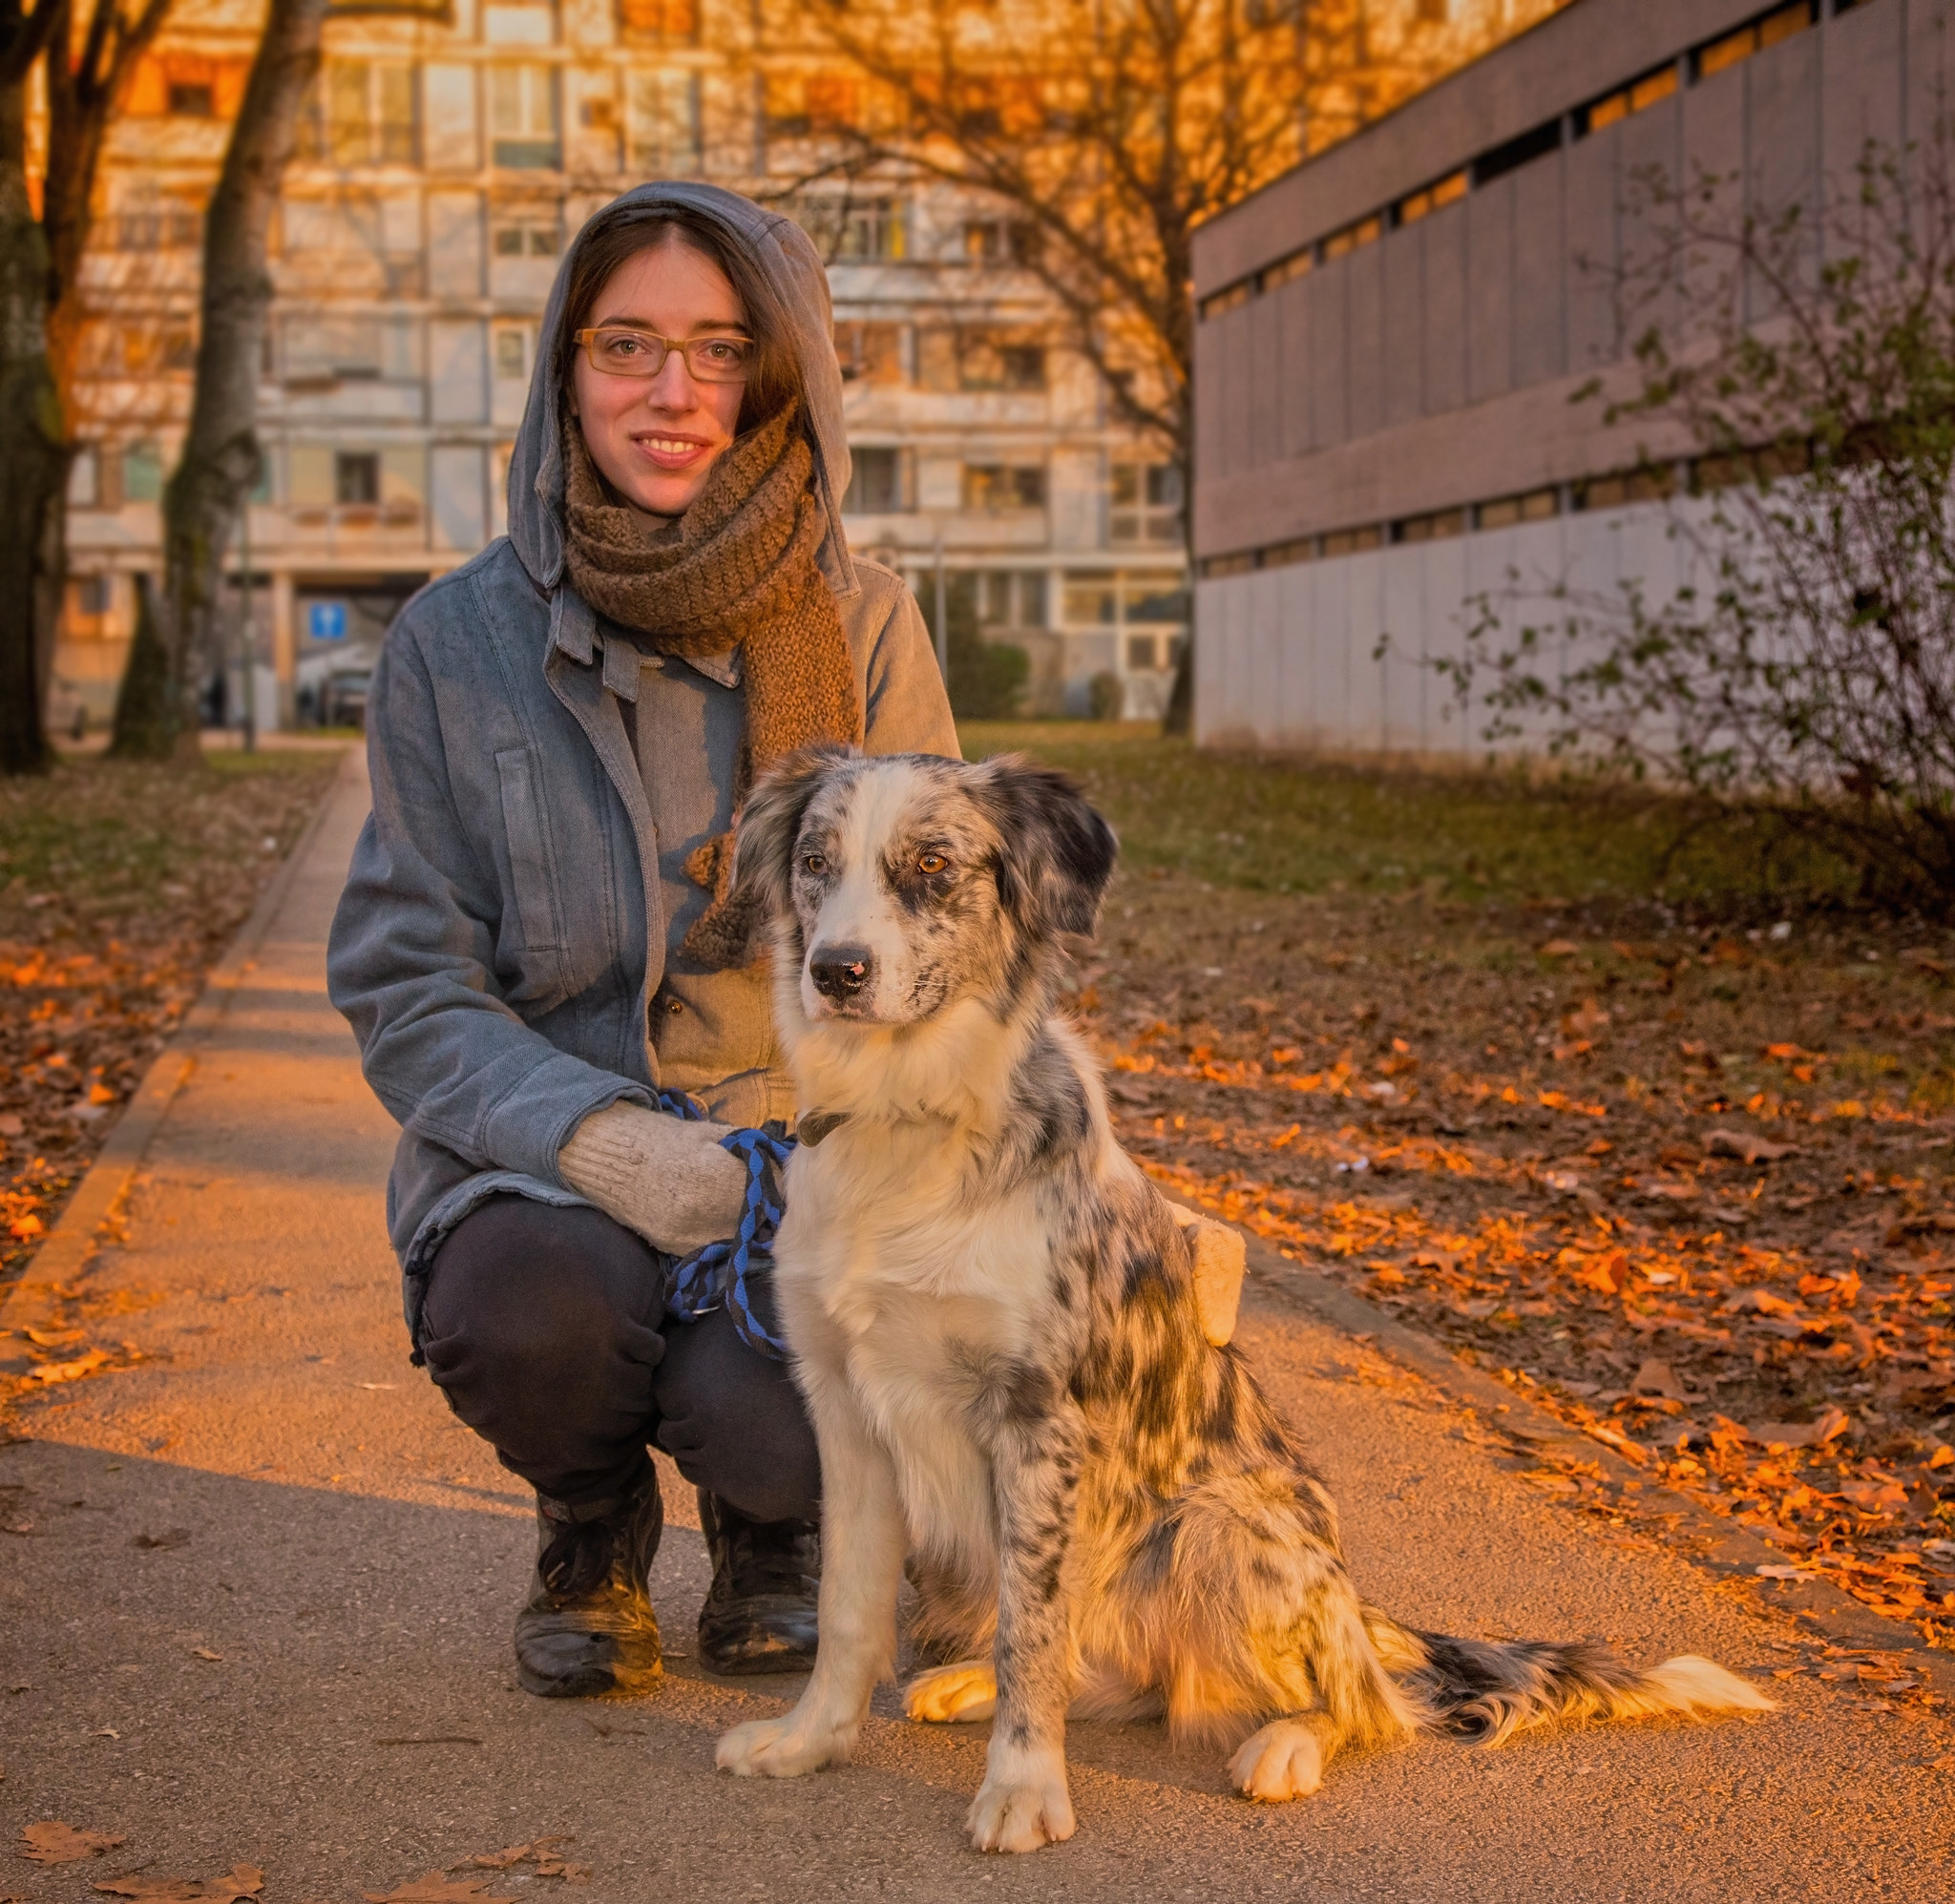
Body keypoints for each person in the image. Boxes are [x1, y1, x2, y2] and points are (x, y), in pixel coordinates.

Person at [326, 182, 959, 1699]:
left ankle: (770, 1533)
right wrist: (605, 1144)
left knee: (799, 1400)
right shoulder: (454, 643)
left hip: (795, 1149)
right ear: (566, 372)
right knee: (528, 1311)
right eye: (627, 345)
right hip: (540, 1154)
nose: (672, 394)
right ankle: (590, 1523)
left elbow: (947, 936)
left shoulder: (864, 625)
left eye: (720, 349)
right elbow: (407, 978)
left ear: (779, 376)